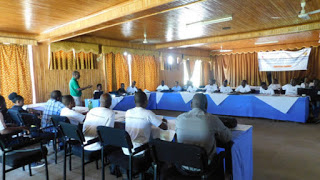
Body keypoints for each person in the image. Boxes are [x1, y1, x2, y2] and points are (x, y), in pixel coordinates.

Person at [175, 93, 232, 161]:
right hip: (206, 166)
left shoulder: (179, 118)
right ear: (206, 106)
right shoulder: (212, 119)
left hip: (182, 165)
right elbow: (227, 137)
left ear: (191, 104)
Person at [123, 91, 168, 155]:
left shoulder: (128, 112)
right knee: (157, 139)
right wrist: (164, 122)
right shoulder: (148, 113)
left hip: (126, 149)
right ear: (146, 102)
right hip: (140, 150)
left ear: (134, 102)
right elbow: (164, 127)